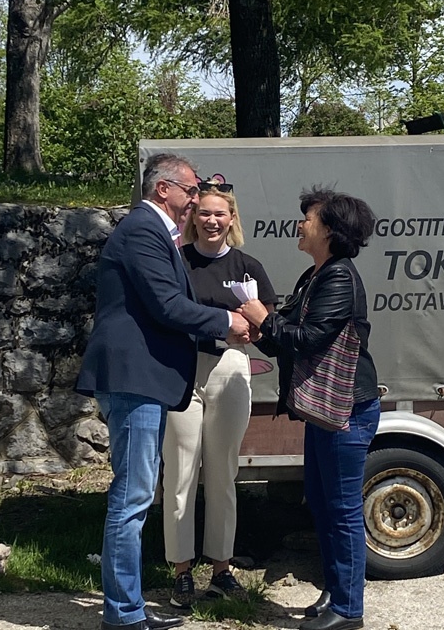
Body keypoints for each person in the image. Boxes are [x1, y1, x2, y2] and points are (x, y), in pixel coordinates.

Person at [75, 154, 250, 630]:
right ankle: (124, 616)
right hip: (134, 379)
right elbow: (167, 305)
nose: (196, 199)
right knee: (132, 499)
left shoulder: (153, 232)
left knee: (134, 496)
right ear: (163, 189)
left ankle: (125, 610)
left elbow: (166, 307)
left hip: (142, 379)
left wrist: (221, 328)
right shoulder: (142, 230)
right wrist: (227, 320)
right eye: (191, 190)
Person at [239, 187, 380, 630]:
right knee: (321, 503)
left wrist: (263, 318)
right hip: (327, 413)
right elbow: (286, 338)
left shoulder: (338, 277)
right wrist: (260, 332)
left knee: (342, 510)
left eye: (308, 218)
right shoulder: (314, 275)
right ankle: (336, 593)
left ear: (331, 230)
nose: (300, 224)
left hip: (346, 413)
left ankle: (349, 610)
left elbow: (309, 339)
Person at [162, 183, 276, 608]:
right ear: (193, 218)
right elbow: (166, 312)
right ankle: (181, 571)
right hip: (183, 368)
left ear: (232, 219)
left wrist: (253, 329)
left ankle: (221, 569)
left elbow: (266, 322)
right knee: (180, 473)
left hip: (229, 367)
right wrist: (220, 323)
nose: (211, 221)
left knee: (222, 472)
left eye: (220, 214)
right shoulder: (178, 261)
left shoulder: (247, 266)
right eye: (204, 213)